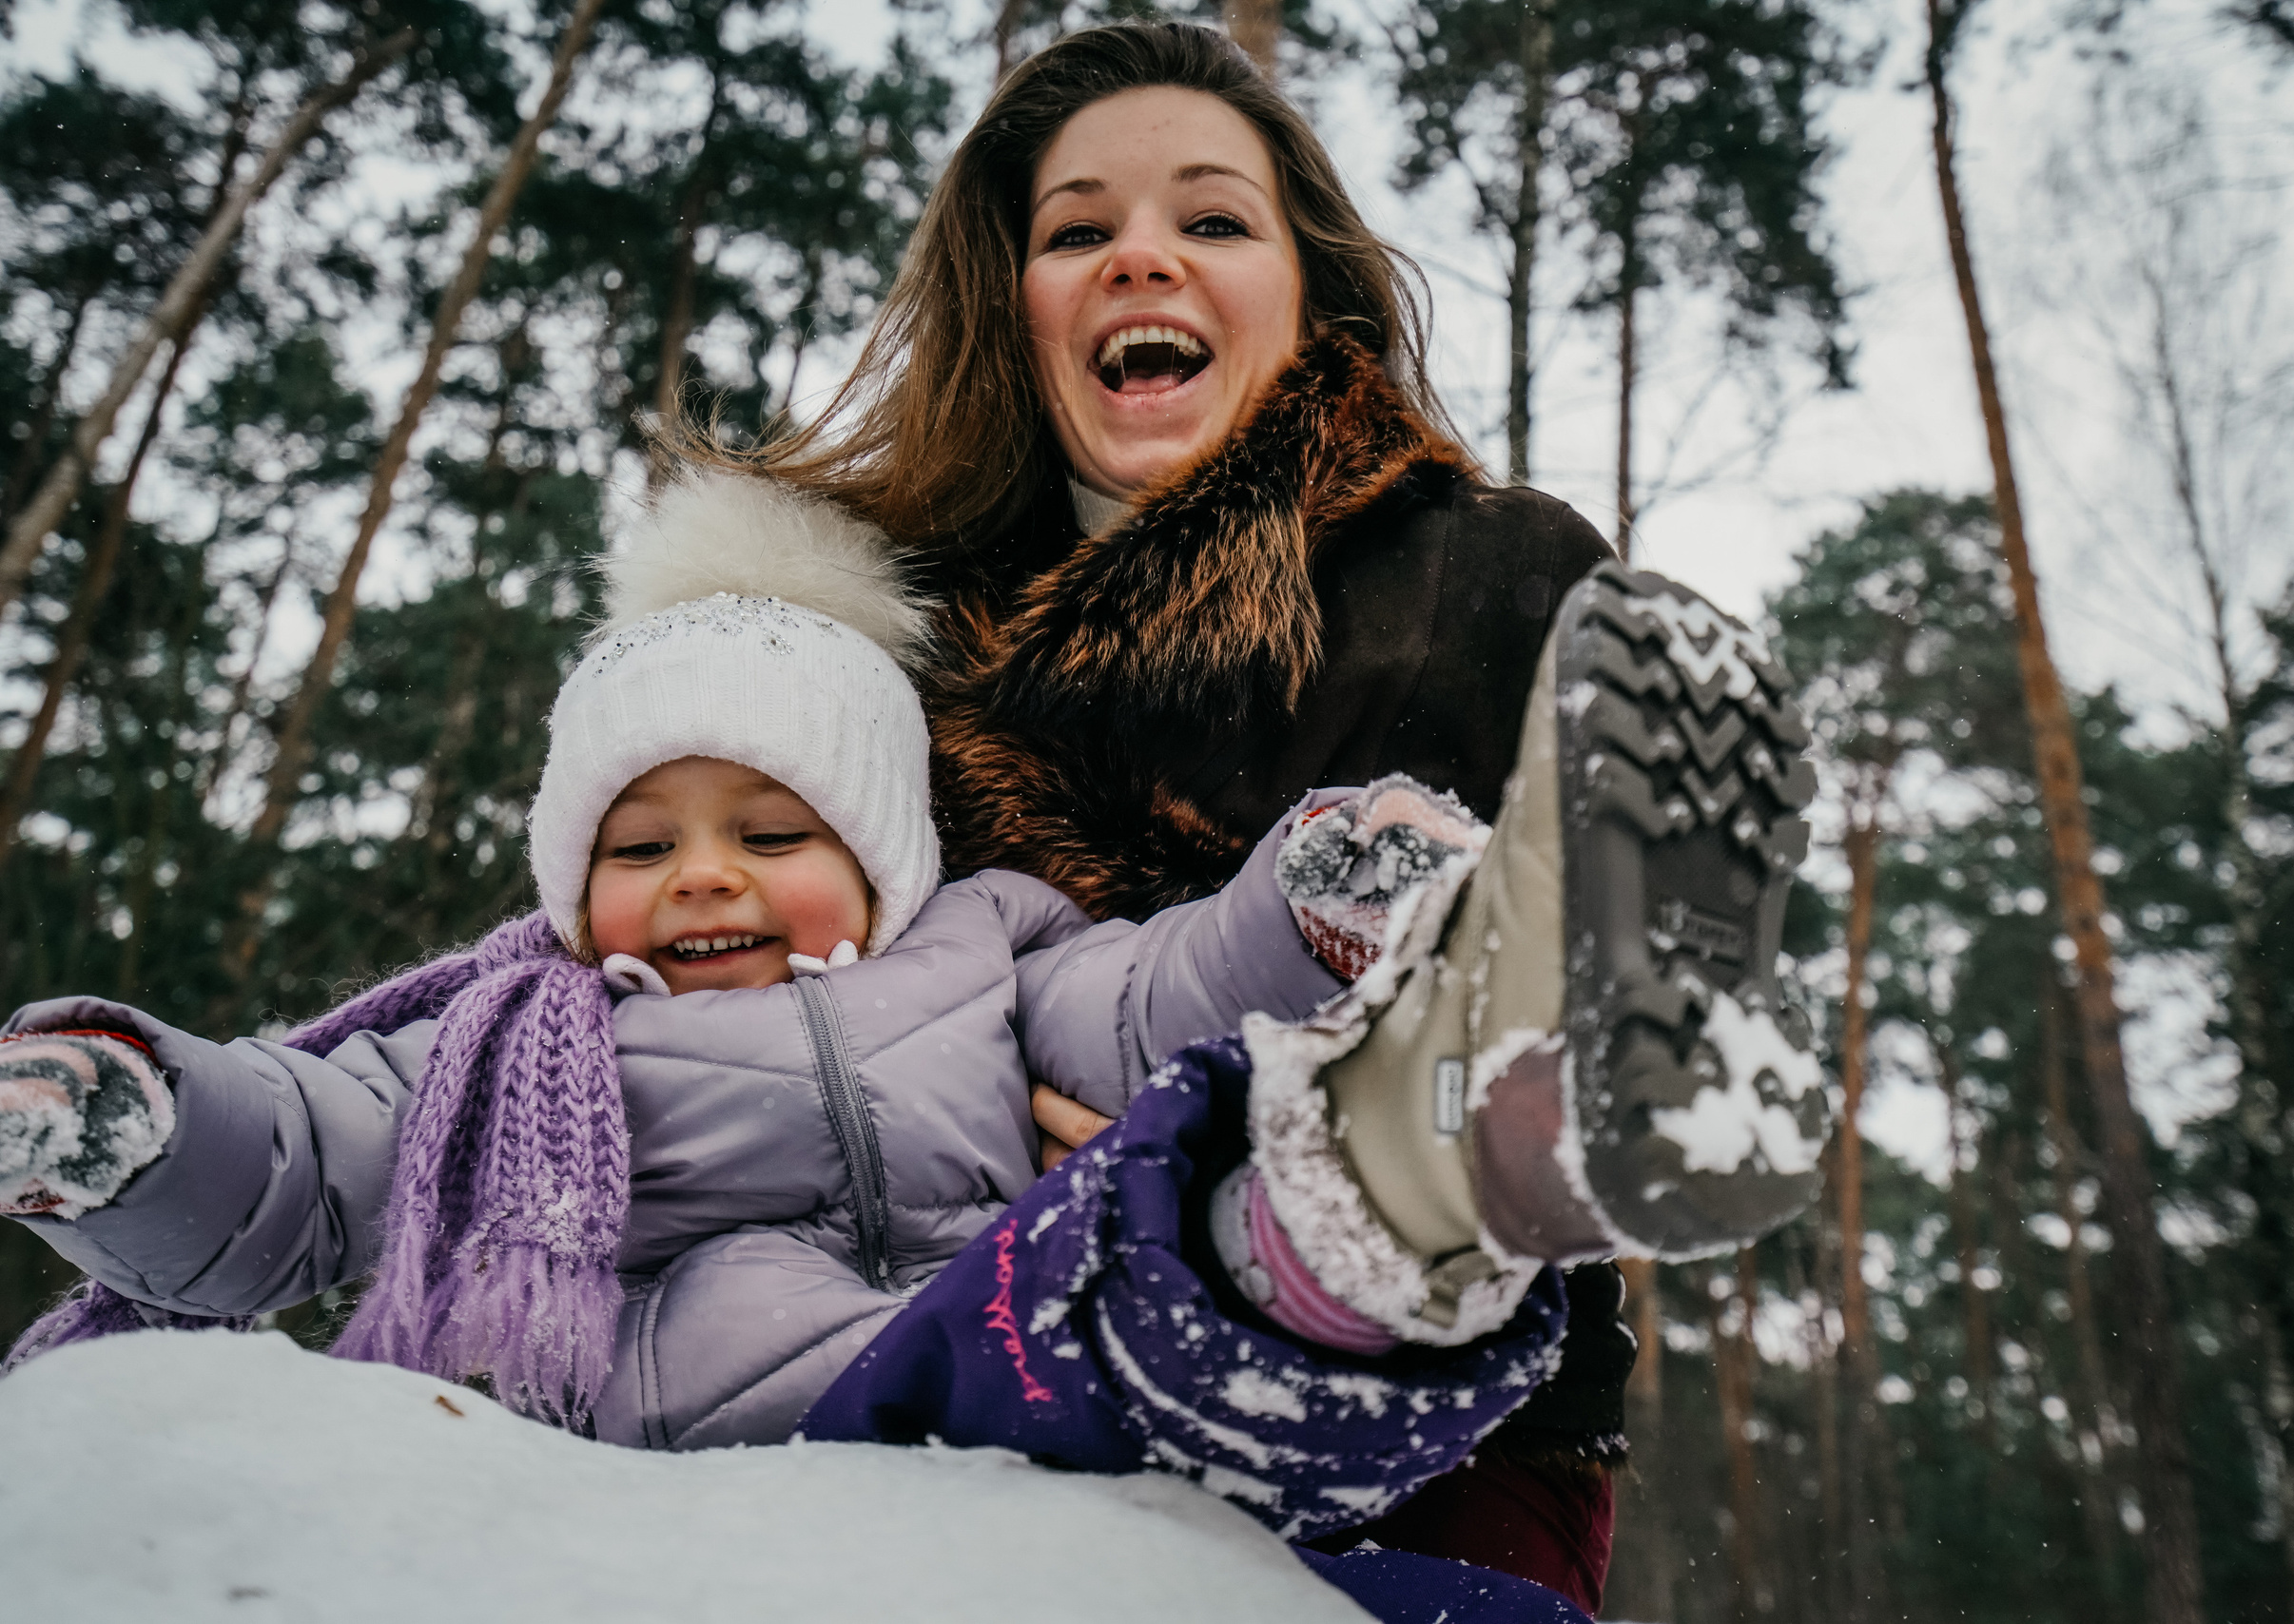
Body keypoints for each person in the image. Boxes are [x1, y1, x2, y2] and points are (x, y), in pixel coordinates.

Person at [693, 19, 1827, 1609]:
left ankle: (1418, 1134)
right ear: (1009, 311)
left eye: (1211, 221)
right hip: (964, 1341)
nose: (1140, 258)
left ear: (1309, 294)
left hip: (1431, 1430)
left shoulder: (1478, 571)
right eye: (1078, 229)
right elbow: (716, 1006)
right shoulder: (870, 674)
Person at [0, 478, 1424, 1451]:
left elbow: (1147, 1005)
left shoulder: (984, 947)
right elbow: (312, 1152)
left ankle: (1389, 1261)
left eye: (769, 829)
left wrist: (1302, 914)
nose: (702, 874)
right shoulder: (520, 1043)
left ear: (879, 851)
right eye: (637, 851)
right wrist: (139, 1124)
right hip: (665, 1482)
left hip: (990, 1411)